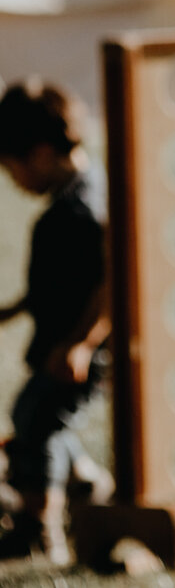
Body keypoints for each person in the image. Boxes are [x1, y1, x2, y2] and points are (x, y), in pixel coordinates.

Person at [0, 81, 107, 566]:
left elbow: (112, 282)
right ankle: (85, 485)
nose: (12, 180)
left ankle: (43, 531)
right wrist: (17, 307)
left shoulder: (81, 208)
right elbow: (63, 280)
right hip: (58, 343)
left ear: (40, 154)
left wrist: (82, 342)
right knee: (39, 419)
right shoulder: (71, 202)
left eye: (10, 167)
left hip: (77, 350)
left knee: (34, 420)